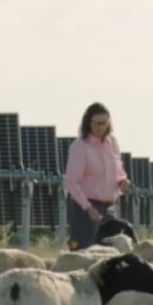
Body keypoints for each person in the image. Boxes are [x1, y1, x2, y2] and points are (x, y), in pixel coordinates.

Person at [63, 102, 132, 250]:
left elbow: (118, 169)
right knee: (79, 249)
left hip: (109, 208)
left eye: (104, 123)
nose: (100, 127)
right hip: (85, 209)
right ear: (88, 122)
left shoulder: (112, 142)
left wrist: (122, 180)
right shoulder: (80, 146)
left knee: (109, 253)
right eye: (97, 123)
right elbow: (71, 182)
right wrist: (88, 208)